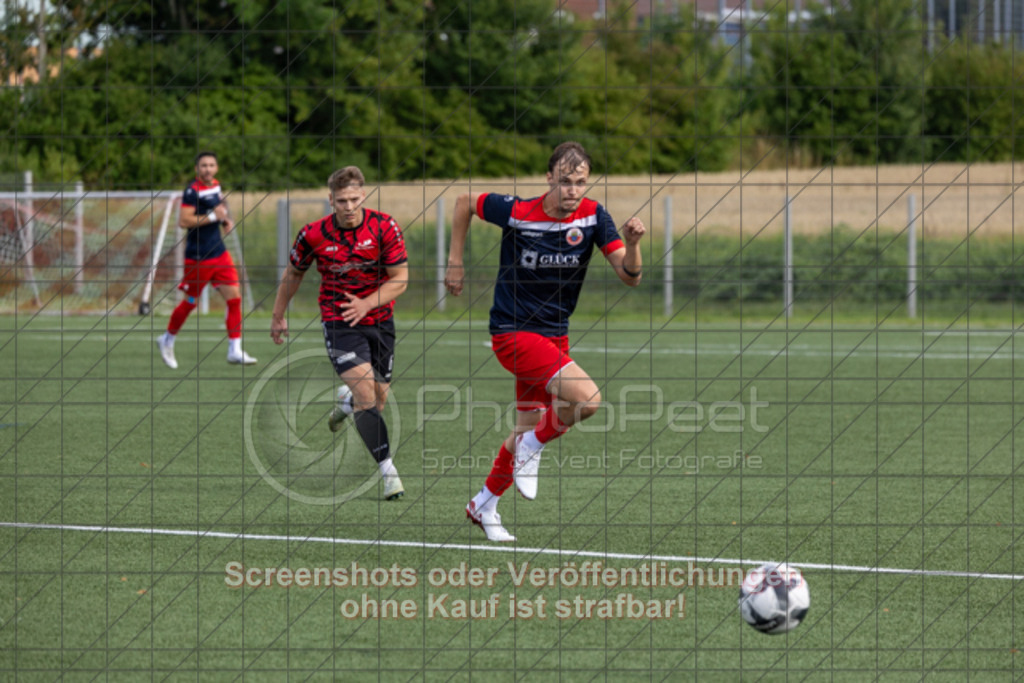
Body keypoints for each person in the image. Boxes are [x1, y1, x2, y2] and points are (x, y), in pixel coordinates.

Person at [445, 141, 646, 542]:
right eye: (566, 182)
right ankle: (532, 447)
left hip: (555, 336)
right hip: (512, 332)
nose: (574, 190)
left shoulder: (593, 217)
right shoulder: (517, 211)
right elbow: (464, 201)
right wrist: (455, 259)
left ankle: (483, 505)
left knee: (527, 429)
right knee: (586, 400)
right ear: (549, 178)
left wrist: (635, 243)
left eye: (581, 183)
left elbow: (630, 275)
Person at [270, 166, 409, 501]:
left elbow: (400, 278)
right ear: (330, 200)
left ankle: (345, 403)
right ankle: (389, 473)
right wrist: (278, 315)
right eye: (341, 200)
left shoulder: (384, 226)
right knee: (367, 399)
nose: (349, 206)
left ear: (363, 195)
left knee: (378, 398)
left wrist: (366, 304)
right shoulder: (312, 234)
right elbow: (293, 274)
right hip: (338, 322)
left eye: (354, 198)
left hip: (379, 320)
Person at [157, 151, 257, 369]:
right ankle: (167, 339)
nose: (208, 169)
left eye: (211, 165)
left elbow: (218, 208)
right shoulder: (191, 191)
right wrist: (214, 218)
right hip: (198, 257)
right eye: (203, 165)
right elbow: (184, 221)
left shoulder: (216, 186)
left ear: (216, 168)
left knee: (234, 298)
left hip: (219, 253)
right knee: (190, 302)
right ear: (197, 169)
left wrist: (225, 221)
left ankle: (235, 349)